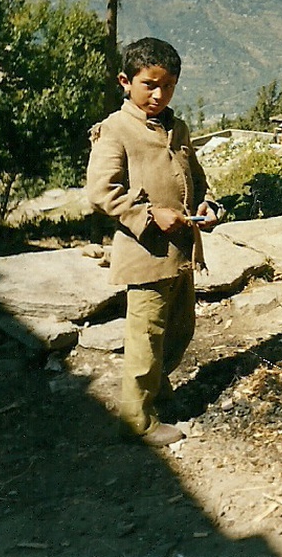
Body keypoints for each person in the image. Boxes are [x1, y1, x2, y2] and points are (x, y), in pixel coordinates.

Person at [86, 37, 220, 447]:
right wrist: (149, 214)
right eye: (149, 85)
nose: (159, 94)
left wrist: (208, 203)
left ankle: (158, 395)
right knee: (145, 338)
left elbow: (194, 177)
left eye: (168, 85)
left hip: (180, 253)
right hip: (145, 256)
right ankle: (137, 420)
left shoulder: (176, 128)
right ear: (126, 82)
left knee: (180, 331)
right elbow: (101, 191)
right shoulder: (115, 130)